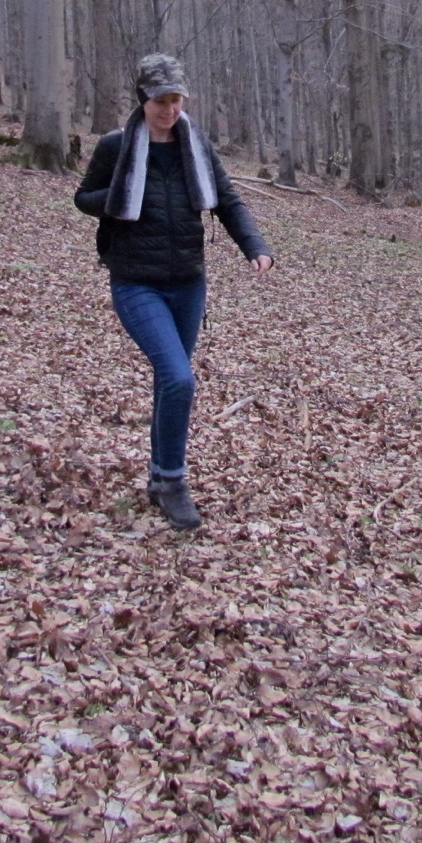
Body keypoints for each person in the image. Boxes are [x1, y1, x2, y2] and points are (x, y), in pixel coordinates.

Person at [75, 54, 274, 531]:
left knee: (172, 384)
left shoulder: (196, 145)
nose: (168, 109)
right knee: (180, 378)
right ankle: (174, 480)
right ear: (144, 99)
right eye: (160, 100)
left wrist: (255, 245)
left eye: (175, 99)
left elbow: (227, 200)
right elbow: (83, 198)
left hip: (188, 282)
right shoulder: (116, 146)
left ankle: (160, 477)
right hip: (135, 281)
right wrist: (123, 194)